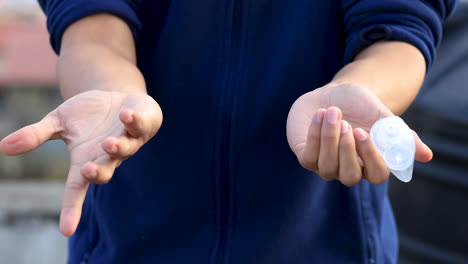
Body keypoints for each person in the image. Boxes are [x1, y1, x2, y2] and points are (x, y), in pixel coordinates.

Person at [0, 0, 457, 263]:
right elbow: (92, 29)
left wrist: (358, 91)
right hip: (130, 244)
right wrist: (112, 94)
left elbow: (399, 31)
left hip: (329, 246)